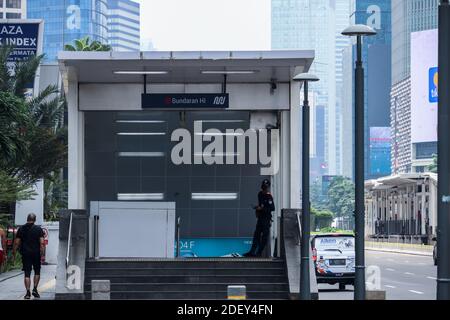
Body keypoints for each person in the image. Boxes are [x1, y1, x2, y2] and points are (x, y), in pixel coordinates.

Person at [13, 213, 45, 300]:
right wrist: (42, 253)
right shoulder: (38, 229)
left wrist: (14, 253)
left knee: (27, 273)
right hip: (36, 253)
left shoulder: (21, 229)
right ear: (34, 220)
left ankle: (27, 292)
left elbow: (17, 242)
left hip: (25, 253)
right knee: (37, 271)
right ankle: (35, 289)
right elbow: (42, 243)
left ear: (27, 219)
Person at [243, 179, 275, 257]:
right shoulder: (260, 194)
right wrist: (257, 208)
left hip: (266, 219)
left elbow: (272, 208)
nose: (264, 190)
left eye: (266, 188)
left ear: (268, 188)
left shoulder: (269, 196)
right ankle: (252, 252)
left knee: (264, 236)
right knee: (256, 234)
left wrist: (262, 209)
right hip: (260, 218)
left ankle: (259, 252)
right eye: (263, 188)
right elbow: (261, 204)